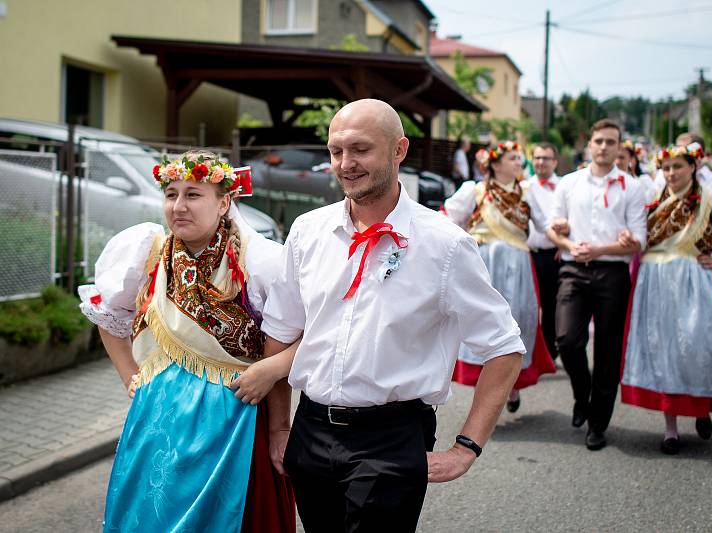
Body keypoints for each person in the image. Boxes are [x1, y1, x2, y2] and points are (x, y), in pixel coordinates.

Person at [234, 99, 526, 532]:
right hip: (311, 431)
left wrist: (467, 446)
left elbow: (503, 348)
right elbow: (281, 330)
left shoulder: (445, 245)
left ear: (398, 151)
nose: (345, 163)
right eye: (336, 151)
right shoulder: (308, 230)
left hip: (392, 439)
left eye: (360, 149)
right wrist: (280, 430)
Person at [78, 151, 295, 532]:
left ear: (224, 202)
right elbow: (108, 319)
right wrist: (132, 377)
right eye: (171, 194)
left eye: (193, 194)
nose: (178, 206)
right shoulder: (147, 254)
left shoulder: (262, 262)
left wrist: (274, 384)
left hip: (236, 426)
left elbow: (304, 336)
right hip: (157, 427)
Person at [620, 143, 712, 455]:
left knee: (696, 347)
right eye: (666, 168)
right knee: (662, 349)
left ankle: (702, 407)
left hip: (694, 282)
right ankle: (670, 429)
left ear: (693, 167)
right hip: (654, 282)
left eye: (678, 167)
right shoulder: (651, 196)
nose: (671, 174)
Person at [546, 118, 647, 451]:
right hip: (573, 269)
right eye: (599, 141)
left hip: (612, 274)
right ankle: (581, 394)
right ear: (589, 145)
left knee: (607, 350)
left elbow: (638, 241)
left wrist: (603, 247)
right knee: (567, 339)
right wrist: (565, 242)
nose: (604, 147)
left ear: (620, 147)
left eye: (611, 142)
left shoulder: (632, 187)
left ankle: (598, 424)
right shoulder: (569, 184)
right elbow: (552, 228)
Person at [443, 141, 556, 414]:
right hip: (485, 265)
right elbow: (448, 217)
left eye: (519, 158)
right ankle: (484, 397)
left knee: (517, 321)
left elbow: (545, 224)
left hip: (518, 265)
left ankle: (513, 384)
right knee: (482, 322)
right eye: (513, 158)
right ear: (495, 164)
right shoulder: (475, 190)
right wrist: (466, 240)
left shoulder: (527, 193)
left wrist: (563, 236)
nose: (519, 162)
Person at [526, 142, 562, 362]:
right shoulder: (523, 187)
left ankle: (550, 351)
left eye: (545, 158)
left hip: (553, 255)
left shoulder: (564, 187)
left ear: (554, 162)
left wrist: (563, 244)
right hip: (528, 253)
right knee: (527, 306)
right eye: (537, 158)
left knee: (551, 306)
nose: (540, 162)